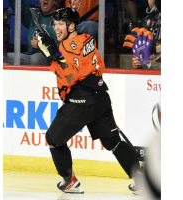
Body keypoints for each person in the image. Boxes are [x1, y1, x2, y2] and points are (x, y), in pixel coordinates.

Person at [37, 7, 143, 194]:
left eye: (61, 23)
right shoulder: (87, 39)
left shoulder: (67, 46)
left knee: (53, 139)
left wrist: (49, 56)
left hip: (80, 103)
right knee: (113, 142)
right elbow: (90, 63)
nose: (56, 27)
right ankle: (140, 179)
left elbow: (68, 75)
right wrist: (54, 52)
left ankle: (69, 181)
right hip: (101, 98)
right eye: (55, 24)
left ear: (71, 26)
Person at [7, 0, 60, 65]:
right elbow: (14, 3)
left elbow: (62, 48)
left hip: (49, 57)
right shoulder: (33, 12)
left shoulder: (60, 18)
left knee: (35, 59)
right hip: (29, 55)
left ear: (55, 2)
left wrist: (41, 46)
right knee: (5, 57)